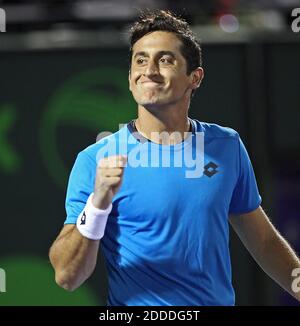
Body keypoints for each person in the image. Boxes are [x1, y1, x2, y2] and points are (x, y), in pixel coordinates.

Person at [49, 10, 300, 306]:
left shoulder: (226, 146)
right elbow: (67, 275)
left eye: (165, 60)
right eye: (140, 60)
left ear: (194, 77)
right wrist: (98, 202)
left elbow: (265, 243)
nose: (150, 70)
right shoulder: (95, 160)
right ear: (130, 79)